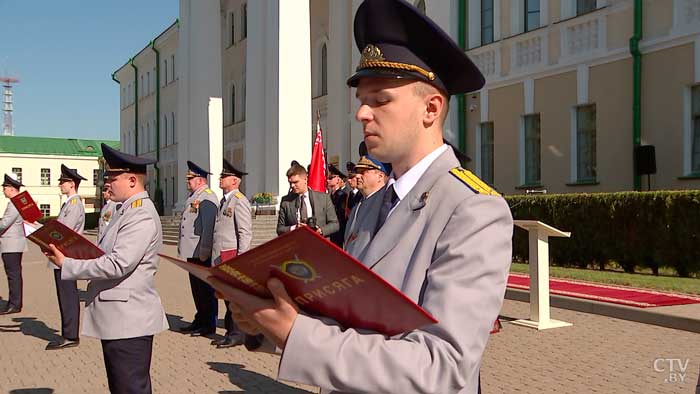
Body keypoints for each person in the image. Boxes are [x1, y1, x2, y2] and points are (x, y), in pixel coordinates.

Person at [212, 1, 512, 393]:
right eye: (360, 101)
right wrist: (266, 324)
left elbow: (442, 367)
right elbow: (346, 319)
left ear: (431, 108)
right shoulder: (371, 205)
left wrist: (295, 333)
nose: (362, 114)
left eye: (381, 99)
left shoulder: (473, 209)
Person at [46, 143, 169, 394]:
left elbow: (117, 264)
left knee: (130, 388)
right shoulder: (125, 211)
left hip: (129, 321)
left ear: (132, 180)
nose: (107, 184)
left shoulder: (140, 214)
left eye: (112, 178)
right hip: (118, 318)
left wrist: (68, 264)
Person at [210, 159, 253, 349]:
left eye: (224, 176)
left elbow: (244, 232)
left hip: (232, 257)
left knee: (233, 297)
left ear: (235, 181)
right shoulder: (224, 201)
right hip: (221, 256)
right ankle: (230, 332)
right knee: (226, 296)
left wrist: (242, 259)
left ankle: (237, 334)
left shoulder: (239, 201)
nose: (220, 179)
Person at [45, 165, 87, 350]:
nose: (60, 185)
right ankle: (67, 332)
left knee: (68, 296)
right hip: (62, 256)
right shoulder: (69, 204)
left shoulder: (74, 204)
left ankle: (71, 334)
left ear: (72, 184)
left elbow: (63, 232)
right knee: (64, 295)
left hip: (66, 257)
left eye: (63, 182)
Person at [178, 160, 219, 337]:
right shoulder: (194, 196)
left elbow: (208, 227)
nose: (188, 181)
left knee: (205, 290)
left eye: (190, 178)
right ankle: (200, 319)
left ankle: (208, 324)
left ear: (200, 180)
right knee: (197, 289)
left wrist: (204, 252)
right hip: (192, 252)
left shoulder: (207, 197)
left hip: (200, 253)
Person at [276, 164, 339, 238]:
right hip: (297, 245)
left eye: (295, 182)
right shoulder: (286, 202)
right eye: (290, 183)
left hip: (319, 244)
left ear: (305, 179)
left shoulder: (324, 198)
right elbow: (280, 229)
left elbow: (335, 224)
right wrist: (294, 228)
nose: (292, 185)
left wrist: (321, 230)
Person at [344, 155, 388, 252]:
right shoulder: (359, 204)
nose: (357, 176)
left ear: (380, 176)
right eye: (357, 172)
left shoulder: (386, 205)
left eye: (363, 172)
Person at [0, 174, 26, 315]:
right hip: (14, 243)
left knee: (13, 275)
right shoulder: (18, 201)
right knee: (14, 274)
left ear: (11, 188)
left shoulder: (14, 203)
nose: (3, 190)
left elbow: (5, 223)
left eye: (4, 188)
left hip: (11, 244)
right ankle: (14, 302)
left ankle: (14, 304)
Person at [327, 164, 348, 248]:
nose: (328, 180)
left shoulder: (342, 195)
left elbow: (341, 214)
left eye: (331, 178)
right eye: (328, 178)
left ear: (338, 179)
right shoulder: (330, 195)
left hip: (338, 229)